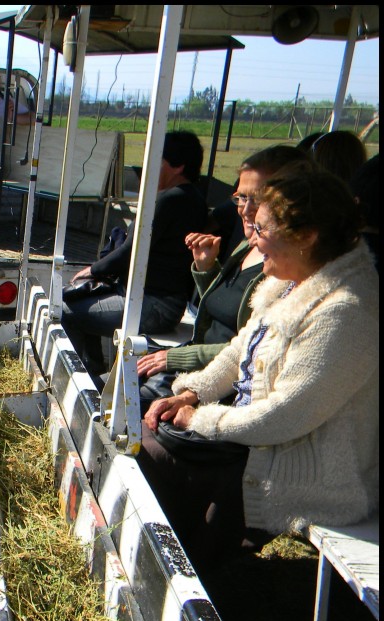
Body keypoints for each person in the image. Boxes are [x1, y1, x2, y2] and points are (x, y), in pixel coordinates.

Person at [138, 168, 378, 570]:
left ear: (306, 236)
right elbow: (240, 350)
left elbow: (286, 415)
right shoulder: (296, 279)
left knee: (151, 453)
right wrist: (191, 392)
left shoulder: (345, 311)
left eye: (263, 228)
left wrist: (200, 418)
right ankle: (176, 561)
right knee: (145, 437)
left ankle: (180, 574)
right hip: (255, 443)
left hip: (309, 474)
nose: (252, 238)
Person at [136, 145, 311, 404]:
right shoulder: (248, 243)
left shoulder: (283, 267)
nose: (247, 209)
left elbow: (250, 348)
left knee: (124, 400)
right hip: (196, 361)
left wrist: (174, 359)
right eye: (241, 198)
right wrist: (207, 269)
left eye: (259, 198)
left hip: (219, 384)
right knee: (113, 383)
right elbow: (220, 311)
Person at [61, 131, 208, 377]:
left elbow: (133, 251)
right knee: (79, 303)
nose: (149, 169)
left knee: (65, 311)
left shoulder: (170, 200)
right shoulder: (192, 198)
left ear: (178, 166)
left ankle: (81, 376)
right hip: (162, 303)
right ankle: (94, 368)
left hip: (153, 306)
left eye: (157, 162)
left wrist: (93, 270)